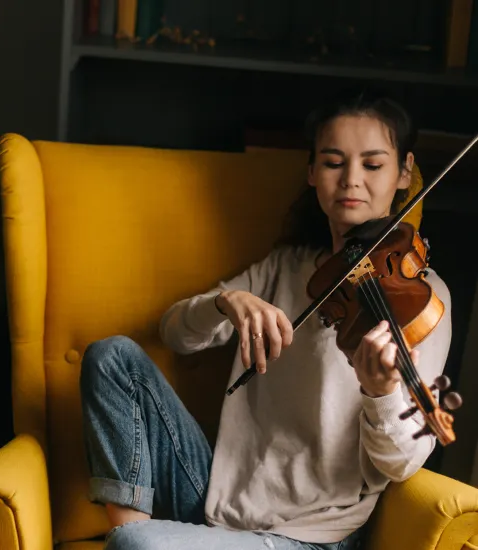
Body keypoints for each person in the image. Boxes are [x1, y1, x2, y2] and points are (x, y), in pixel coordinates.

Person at [79, 86, 452, 550]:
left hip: (310, 536)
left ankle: (133, 542)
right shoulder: (284, 267)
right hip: (218, 501)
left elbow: (403, 462)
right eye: (334, 162)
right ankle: (129, 530)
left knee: (141, 548)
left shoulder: (420, 297)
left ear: (404, 173)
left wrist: (380, 394)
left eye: (373, 165)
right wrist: (226, 302)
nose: (352, 179)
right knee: (112, 357)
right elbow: (174, 333)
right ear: (313, 172)